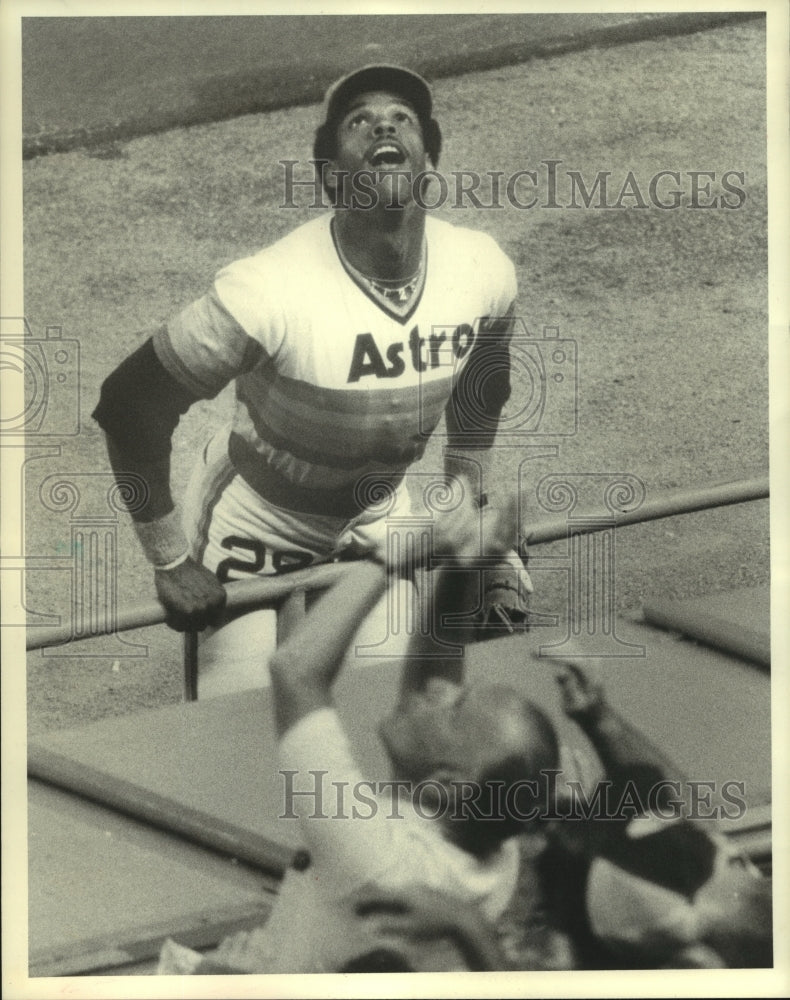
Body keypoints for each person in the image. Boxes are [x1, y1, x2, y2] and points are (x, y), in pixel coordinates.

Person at [92, 63, 531, 697]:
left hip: (377, 521)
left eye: (403, 117)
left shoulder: (481, 268)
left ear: (429, 159)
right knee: (238, 730)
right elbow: (129, 405)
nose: (384, 123)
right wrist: (167, 559)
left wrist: (465, 500)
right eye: (359, 120)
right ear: (329, 176)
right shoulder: (267, 290)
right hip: (256, 525)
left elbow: (485, 381)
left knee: (386, 713)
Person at [157, 502, 557, 973]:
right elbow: (432, 678)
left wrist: (392, 557)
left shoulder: (375, 860)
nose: (440, 690)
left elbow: (295, 672)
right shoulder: (481, 846)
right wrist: (464, 566)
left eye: (453, 710)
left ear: (449, 784)